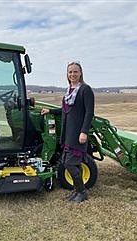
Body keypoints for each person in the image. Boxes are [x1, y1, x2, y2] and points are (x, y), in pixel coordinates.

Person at [41, 62, 94, 203]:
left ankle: (82, 192)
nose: (72, 74)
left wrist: (84, 132)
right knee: (71, 163)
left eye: (75, 72)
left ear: (81, 73)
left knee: (69, 163)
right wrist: (50, 111)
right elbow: (65, 110)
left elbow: (89, 113)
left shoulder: (85, 90)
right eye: (70, 72)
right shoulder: (69, 90)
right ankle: (77, 191)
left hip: (77, 133)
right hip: (67, 133)